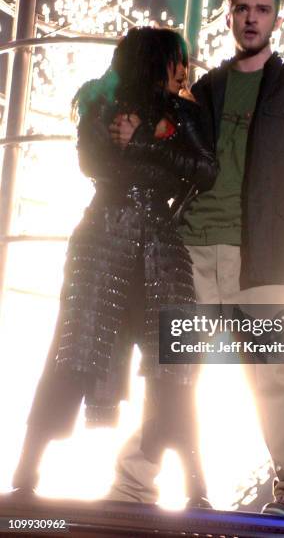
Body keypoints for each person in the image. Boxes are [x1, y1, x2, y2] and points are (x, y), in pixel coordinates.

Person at [111, 0, 284, 519]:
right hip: (189, 250)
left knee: (275, 372)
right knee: (172, 370)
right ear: (231, 17)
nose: (252, 18)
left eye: (262, 9)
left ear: (276, 19)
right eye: (242, 9)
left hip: (260, 253)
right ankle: (132, 489)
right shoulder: (205, 89)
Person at [11, 26, 217, 506]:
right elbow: (94, 164)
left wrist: (143, 140)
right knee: (76, 353)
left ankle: (196, 488)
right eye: (175, 61)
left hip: (162, 248)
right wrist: (150, 145)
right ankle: (26, 477)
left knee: (177, 362)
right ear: (152, 61)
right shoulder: (100, 101)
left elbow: (206, 171)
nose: (183, 71)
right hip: (105, 239)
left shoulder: (184, 112)